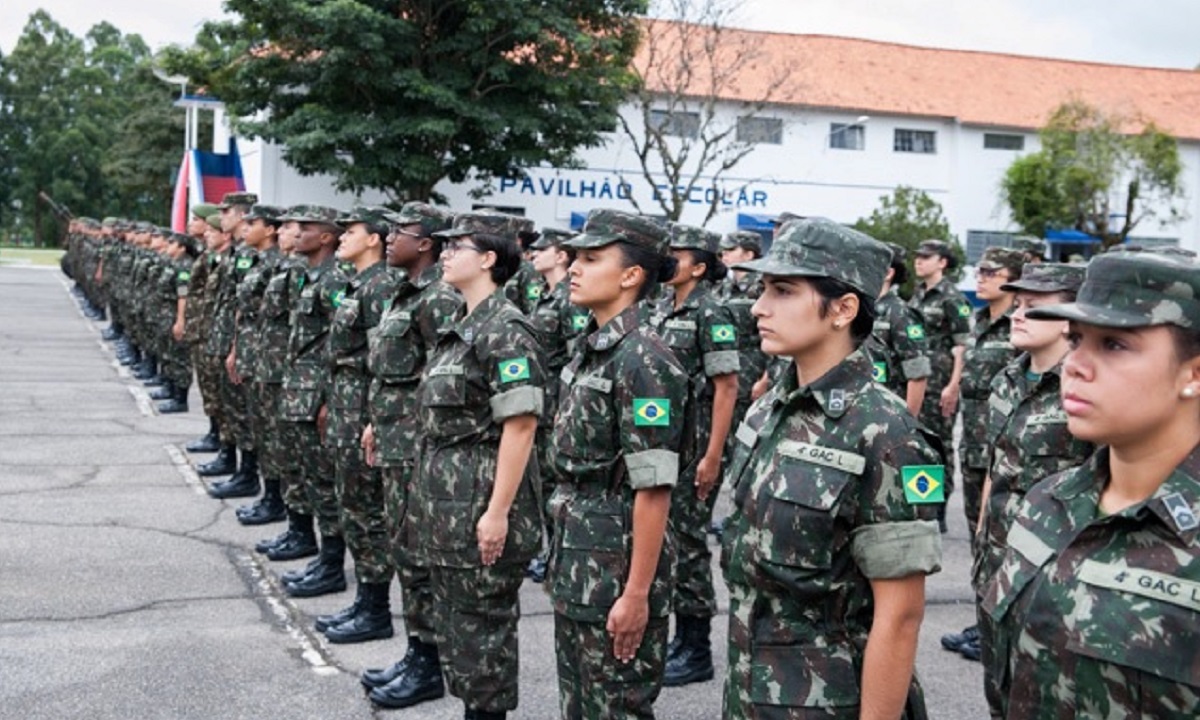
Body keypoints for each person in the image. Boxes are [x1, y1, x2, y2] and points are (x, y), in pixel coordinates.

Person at [722, 218, 943, 719]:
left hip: (829, 701)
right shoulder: (769, 408)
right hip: (751, 688)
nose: (759, 307)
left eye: (783, 291)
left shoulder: (886, 432)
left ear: (843, 309)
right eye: (762, 290)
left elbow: (900, 614)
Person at [982, 249, 1200, 719]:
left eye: (1115, 345)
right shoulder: (1049, 501)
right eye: (1076, 339)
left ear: (1194, 372)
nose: (1075, 365)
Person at [548, 209, 688, 719]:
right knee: (580, 704)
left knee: (616, 707)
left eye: (591, 258)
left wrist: (636, 594)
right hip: (579, 556)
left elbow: (653, 489)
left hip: (616, 567)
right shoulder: (595, 347)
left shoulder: (645, 359)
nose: (573, 268)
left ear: (631, 276)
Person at [409, 220, 544, 720]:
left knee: (483, 636)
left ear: (488, 259)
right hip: (449, 508)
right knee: (462, 634)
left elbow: (522, 425)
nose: (444, 255)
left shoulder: (505, 330)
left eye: (455, 247)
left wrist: (497, 513)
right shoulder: (464, 326)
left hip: (480, 506)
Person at [966, 263, 1091, 711]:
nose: (1017, 316)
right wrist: (982, 547)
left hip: (1055, 572)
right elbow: (996, 470)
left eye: (1034, 308)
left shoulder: (1085, 388)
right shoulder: (1007, 380)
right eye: (1017, 306)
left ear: (1072, 320)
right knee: (998, 690)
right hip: (1000, 563)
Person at [360, 202, 459, 710]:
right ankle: (416, 650)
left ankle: (428, 662)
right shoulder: (404, 292)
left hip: (420, 444)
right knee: (404, 548)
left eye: (399, 231)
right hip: (397, 438)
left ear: (426, 243)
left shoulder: (439, 299)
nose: (387, 237)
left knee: (419, 556)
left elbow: (440, 376)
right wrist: (379, 422)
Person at [647, 223, 739, 687]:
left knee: (688, 544)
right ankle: (681, 639)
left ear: (699, 267)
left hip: (696, 444)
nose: (668, 260)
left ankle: (696, 646)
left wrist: (713, 455)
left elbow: (726, 386)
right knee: (667, 543)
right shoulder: (662, 307)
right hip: (665, 442)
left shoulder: (712, 312)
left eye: (677, 255)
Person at [313, 206, 404, 644]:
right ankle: (364, 602)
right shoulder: (359, 283)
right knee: (351, 504)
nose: (341, 238)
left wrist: (372, 418)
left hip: (363, 410)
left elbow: (381, 363)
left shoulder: (382, 286)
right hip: (346, 404)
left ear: (373, 238)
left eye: (350, 231)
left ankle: (376, 608)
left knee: (367, 511)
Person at [525, 227, 586, 584]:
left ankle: (556, 553)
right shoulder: (545, 295)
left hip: (557, 404)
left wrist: (566, 408)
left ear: (561, 255)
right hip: (541, 403)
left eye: (542, 249)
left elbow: (575, 355)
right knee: (545, 483)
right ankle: (550, 551)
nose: (534, 254)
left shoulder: (568, 299)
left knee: (556, 482)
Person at [956, 246, 1025, 533]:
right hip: (972, 438)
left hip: (1005, 442)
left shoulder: (1021, 324)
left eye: (990, 273)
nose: (980, 279)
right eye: (979, 272)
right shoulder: (979, 321)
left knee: (1002, 527)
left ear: (1011, 280)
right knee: (976, 523)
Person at [909, 238, 972, 532]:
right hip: (919, 383)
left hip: (941, 384)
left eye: (926, 256)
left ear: (942, 262)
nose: (919, 261)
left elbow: (962, 346)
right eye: (917, 256)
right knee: (918, 444)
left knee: (939, 446)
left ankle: (939, 508)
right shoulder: (917, 296)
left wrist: (953, 385)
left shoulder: (952, 298)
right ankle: (921, 502)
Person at [865, 242, 930, 416]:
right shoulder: (862, 309)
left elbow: (918, 374)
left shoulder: (901, 313)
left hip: (888, 412)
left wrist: (908, 426)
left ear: (888, 273)